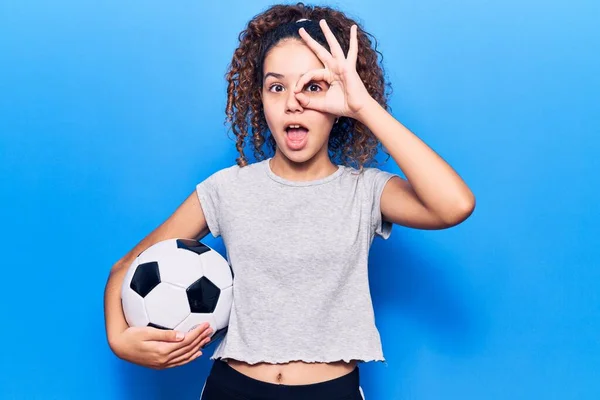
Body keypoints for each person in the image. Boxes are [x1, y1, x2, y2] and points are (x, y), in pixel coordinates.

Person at [104, 3, 476, 399]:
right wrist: (119, 339)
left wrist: (364, 107)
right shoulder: (227, 189)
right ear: (260, 99)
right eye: (276, 86)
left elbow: (454, 205)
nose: (293, 102)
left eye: (313, 87)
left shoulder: (364, 191)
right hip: (234, 389)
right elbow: (127, 266)